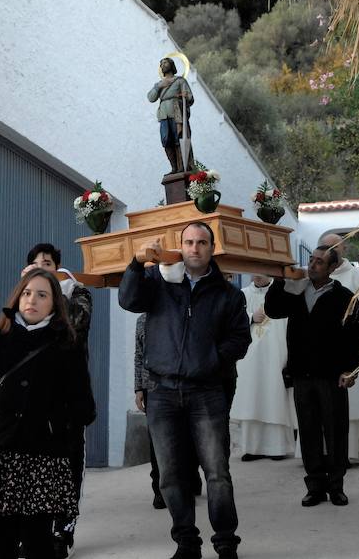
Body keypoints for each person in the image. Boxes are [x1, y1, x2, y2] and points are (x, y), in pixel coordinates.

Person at [119, 222, 251, 559]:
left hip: (207, 393)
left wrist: (208, 361)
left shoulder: (229, 294)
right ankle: (186, 543)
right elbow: (128, 300)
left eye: (202, 242)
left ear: (211, 247)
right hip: (161, 393)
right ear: (181, 246)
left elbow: (240, 340)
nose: (195, 248)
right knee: (170, 475)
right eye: (189, 242)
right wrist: (136, 264)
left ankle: (225, 543)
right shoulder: (156, 284)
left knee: (217, 472)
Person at [0, 268, 95, 559]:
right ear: (17, 297)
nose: (32, 300)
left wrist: (54, 424)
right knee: (1, 547)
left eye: (42, 295)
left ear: (54, 303)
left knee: (38, 545)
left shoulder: (66, 345)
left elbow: (84, 408)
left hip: (43, 455)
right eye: (26, 293)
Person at [264, 246, 359, 507]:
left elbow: (357, 336)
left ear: (333, 268)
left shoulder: (345, 297)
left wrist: (350, 369)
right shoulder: (297, 291)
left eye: (319, 262)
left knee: (335, 431)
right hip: (302, 374)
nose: (312, 266)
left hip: (331, 376)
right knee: (308, 431)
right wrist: (279, 280)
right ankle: (314, 487)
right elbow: (273, 309)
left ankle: (336, 486)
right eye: (311, 260)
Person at [21, 243, 96, 559]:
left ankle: (62, 532)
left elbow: (73, 328)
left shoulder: (77, 295)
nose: (42, 266)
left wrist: (57, 294)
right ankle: (32, 533)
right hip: (30, 403)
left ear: (58, 268)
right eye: (36, 263)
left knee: (67, 466)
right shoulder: (22, 301)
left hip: (67, 401)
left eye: (48, 262)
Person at [319, 233, 359, 464]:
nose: (331, 250)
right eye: (326, 246)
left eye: (335, 246)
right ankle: (325, 453)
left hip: (349, 351)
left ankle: (350, 452)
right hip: (321, 354)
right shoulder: (314, 275)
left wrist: (344, 317)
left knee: (350, 404)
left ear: (344, 249)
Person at [134, 313, 202, 510]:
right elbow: (139, 355)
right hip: (151, 388)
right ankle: (159, 490)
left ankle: (189, 481)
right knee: (157, 443)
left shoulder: (179, 314)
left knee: (186, 438)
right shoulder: (142, 320)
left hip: (180, 384)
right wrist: (138, 388)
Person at [231, 275, 296, 460]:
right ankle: (251, 448)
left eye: (262, 271)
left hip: (276, 354)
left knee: (274, 398)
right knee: (252, 400)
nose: (258, 275)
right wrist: (251, 317)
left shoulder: (281, 293)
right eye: (254, 271)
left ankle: (277, 448)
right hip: (249, 360)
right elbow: (230, 320)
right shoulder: (242, 294)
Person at [148, 57, 194, 174]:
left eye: (165, 62)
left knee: (178, 138)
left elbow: (190, 98)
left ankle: (182, 166)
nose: (163, 65)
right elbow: (151, 98)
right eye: (161, 63)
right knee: (166, 140)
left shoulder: (180, 81)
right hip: (164, 115)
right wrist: (159, 86)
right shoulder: (159, 84)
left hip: (176, 113)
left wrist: (185, 96)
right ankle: (173, 167)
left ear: (171, 65)